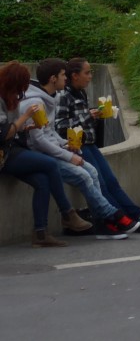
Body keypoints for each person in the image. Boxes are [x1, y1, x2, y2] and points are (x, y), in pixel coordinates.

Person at [20, 58, 136, 239]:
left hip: (52, 151)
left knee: (91, 171)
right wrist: (68, 155)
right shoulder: (36, 103)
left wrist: (66, 145)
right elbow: (38, 141)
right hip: (42, 156)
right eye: (62, 75)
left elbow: (50, 133)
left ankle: (102, 223)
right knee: (83, 175)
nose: (65, 79)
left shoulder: (49, 99)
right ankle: (112, 215)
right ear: (53, 79)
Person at [56, 58, 140, 232]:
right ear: (75, 75)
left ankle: (137, 214)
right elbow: (60, 125)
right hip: (78, 146)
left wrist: (96, 114)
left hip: (90, 144)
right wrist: (88, 116)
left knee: (111, 181)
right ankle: (121, 219)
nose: (90, 76)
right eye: (87, 72)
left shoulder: (80, 92)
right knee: (101, 184)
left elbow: (79, 117)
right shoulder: (63, 95)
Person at [0, 61, 93, 246]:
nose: (24, 91)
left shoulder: (9, 97)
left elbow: (13, 131)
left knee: (42, 182)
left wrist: (28, 126)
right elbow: (4, 134)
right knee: (49, 164)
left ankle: (40, 234)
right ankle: (67, 213)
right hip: (5, 155)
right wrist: (25, 117)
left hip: (10, 150)